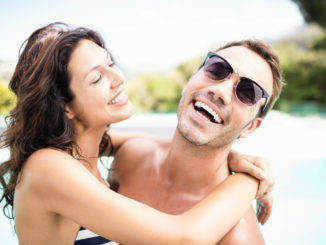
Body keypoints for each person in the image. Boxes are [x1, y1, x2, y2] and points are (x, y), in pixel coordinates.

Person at [0, 22, 272, 245]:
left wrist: (231, 156)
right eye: (97, 78)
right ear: (65, 106)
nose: (118, 78)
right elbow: (186, 238)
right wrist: (251, 179)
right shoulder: (49, 167)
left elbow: (165, 145)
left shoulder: (94, 152)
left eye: (111, 64)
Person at [109, 39, 283, 244]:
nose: (220, 91)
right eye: (217, 69)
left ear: (250, 127)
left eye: (247, 92)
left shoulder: (237, 237)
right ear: (191, 79)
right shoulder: (130, 157)